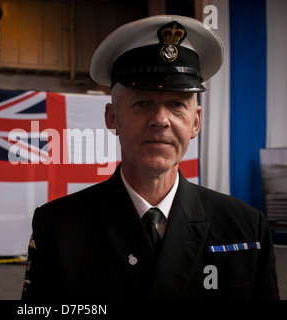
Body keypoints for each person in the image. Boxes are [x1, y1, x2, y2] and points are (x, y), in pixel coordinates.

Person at [21, 15, 279, 300]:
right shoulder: (58, 227)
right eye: (142, 103)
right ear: (112, 117)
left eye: (177, 104)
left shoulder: (246, 227)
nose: (160, 120)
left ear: (196, 122)